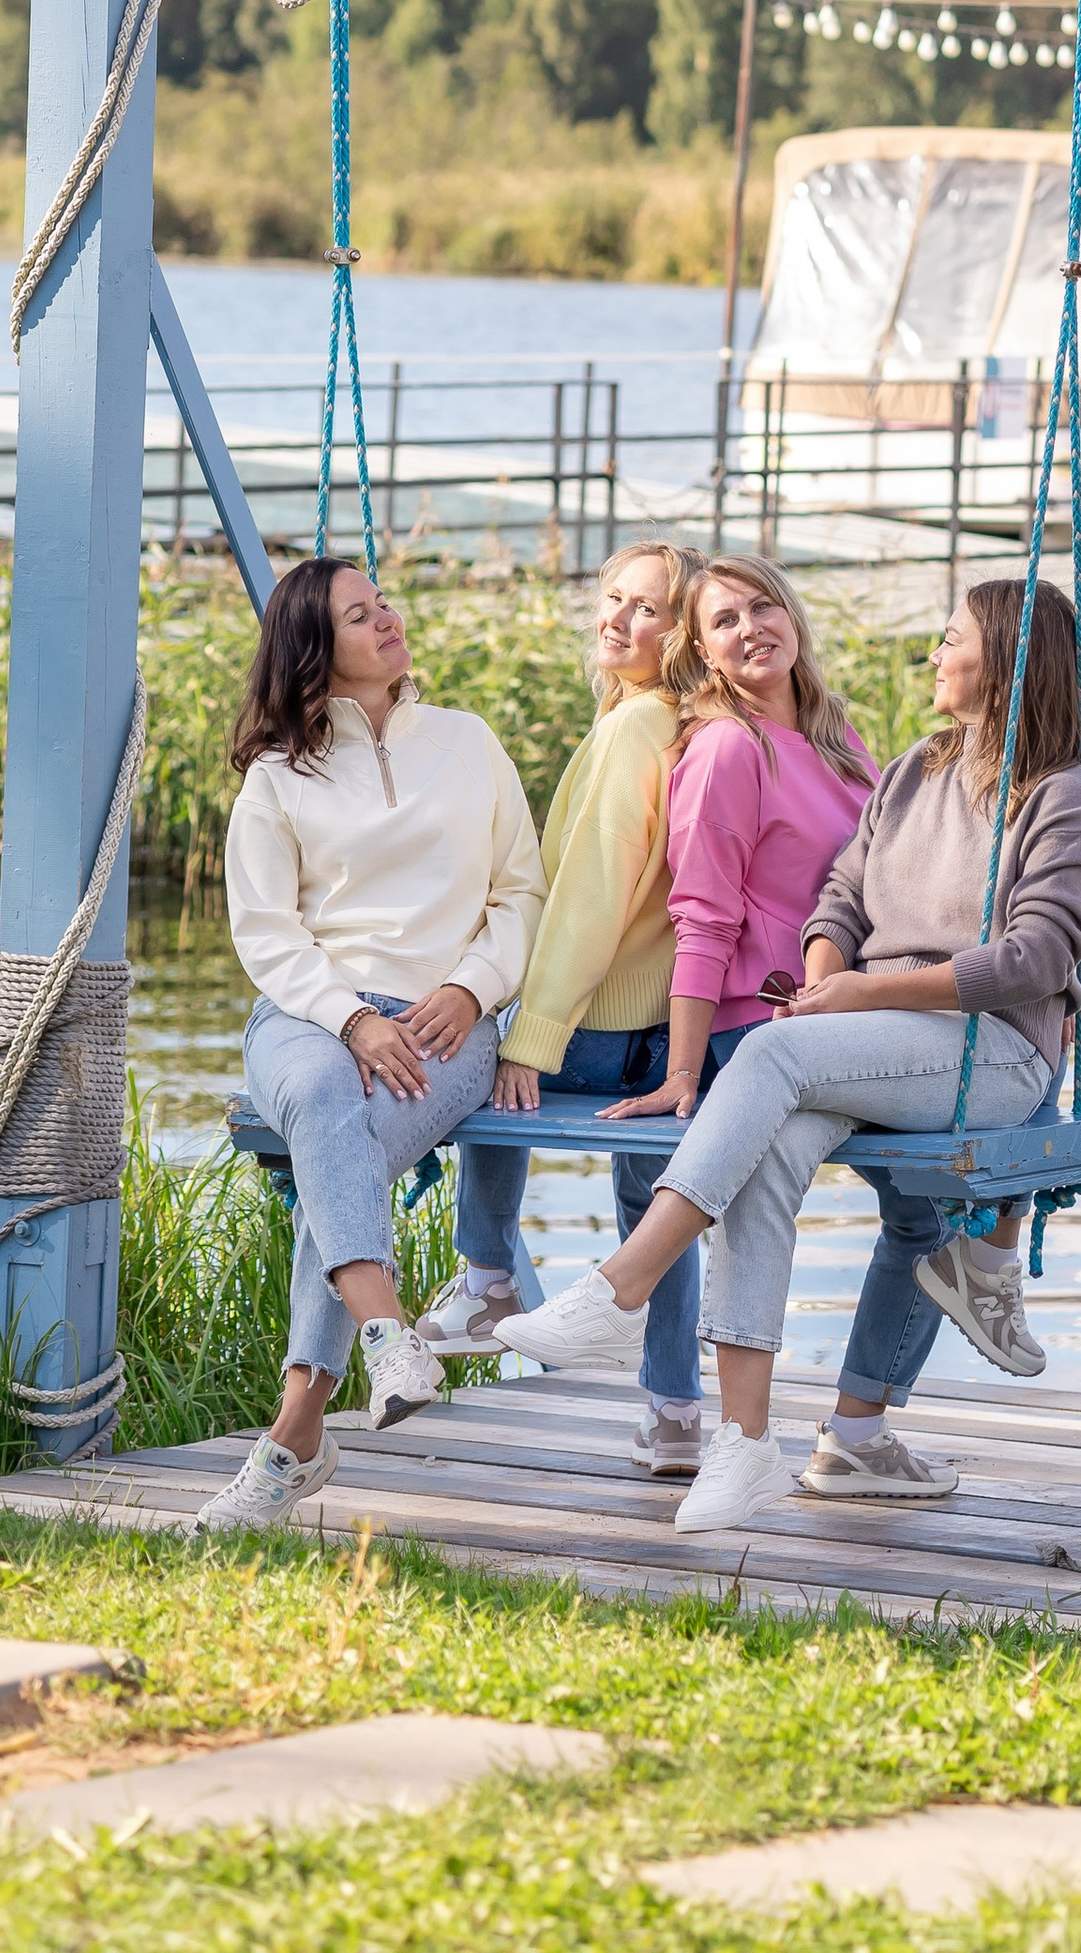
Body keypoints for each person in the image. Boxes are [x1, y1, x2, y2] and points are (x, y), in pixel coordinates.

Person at [496, 574, 1081, 1538]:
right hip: (885, 1037)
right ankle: (745, 1449)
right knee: (768, 1152)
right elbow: (841, 899)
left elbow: (1038, 955)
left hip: (991, 1052)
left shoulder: (1055, 792)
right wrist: (826, 979)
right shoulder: (911, 770)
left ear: (1003, 658)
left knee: (770, 1063)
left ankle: (622, 1287)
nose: (935, 656)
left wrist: (859, 993)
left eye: (949, 640)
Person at [196, 557, 544, 1535]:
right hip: (309, 1015)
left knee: (328, 1153)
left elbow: (520, 892)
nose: (387, 620)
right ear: (318, 650)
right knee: (321, 1105)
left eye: (382, 604)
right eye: (360, 614)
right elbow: (266, 932)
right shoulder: (276, 777)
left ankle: (296, 1439)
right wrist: (349, 1016)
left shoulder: (468, 743)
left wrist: (469, 989)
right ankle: (389, 1336)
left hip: (447, 1023)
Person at [408, 540, 715, 1477]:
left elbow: (591, 896)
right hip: (656, 1033)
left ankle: (489, 1276)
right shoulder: (681, 723)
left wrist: (532, 1037)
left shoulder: (633, 731)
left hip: (601, 1027)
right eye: (613, 598)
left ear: (684, 631)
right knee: (653, 1206)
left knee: (479, 1067)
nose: (619, 620)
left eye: (649, 608)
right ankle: (673, 1414)